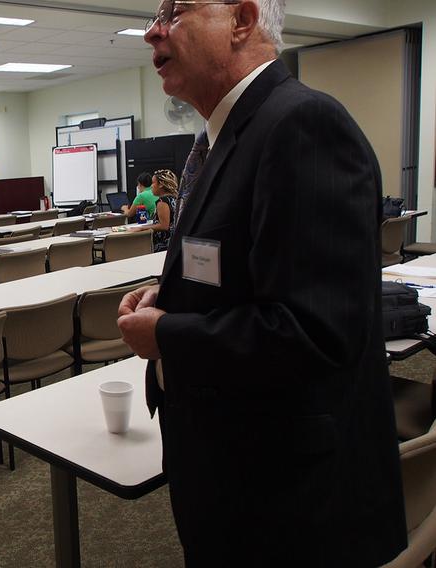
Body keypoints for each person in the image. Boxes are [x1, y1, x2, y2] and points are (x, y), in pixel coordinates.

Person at [117, 1, 406, 566]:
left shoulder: (301, 124)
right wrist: (171, 295)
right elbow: (242, 268)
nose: (153, 31)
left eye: (175, 12)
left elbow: (314, 331)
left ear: (242, 20)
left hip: (290, 503)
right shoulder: (224, 137)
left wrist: (168, 334)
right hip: (235, 472)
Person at [127, 169, 177, 252]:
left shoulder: (162, 202)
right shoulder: (174, 198)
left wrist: (142, 228)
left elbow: (164, 226)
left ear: (160, 185)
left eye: (153, 183)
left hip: (163, 244)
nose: (151, 187)